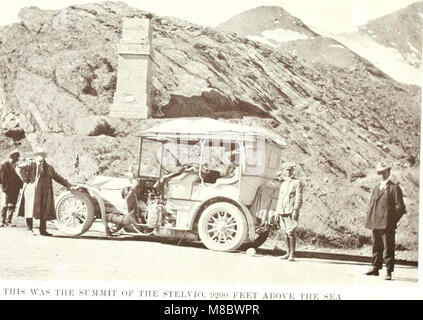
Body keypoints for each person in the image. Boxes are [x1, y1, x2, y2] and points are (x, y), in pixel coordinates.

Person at [16, 148, 73, 236]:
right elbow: (19, 168)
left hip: (45, 191)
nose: (41, 157)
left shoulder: (49, 167)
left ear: (45, 156)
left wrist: (68, 185)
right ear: (36, 155)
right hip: (32, 190)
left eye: (43, 155)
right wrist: (25, 179)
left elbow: (57, 177)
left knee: (44, 210)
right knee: (30, 208)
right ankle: (29, 228)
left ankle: (43, 230)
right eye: (40, 154)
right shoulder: (31, 163)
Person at [365, 162, 406, 280]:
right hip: (376, 223)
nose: (381, 175)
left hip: (387, 224)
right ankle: (375, 268)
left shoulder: (394, 188)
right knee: (376, 246)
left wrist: (392, 221)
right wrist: (370, 219)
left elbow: (400, 208)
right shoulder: (376, 188)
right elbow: (371, 205)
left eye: (383, 172)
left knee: (388, 247)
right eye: (379, 173)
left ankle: (389, 270)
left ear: (389, 172)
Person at [275, 162, 303, 261]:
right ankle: (287, 252)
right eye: (286, 170)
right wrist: (277, 211)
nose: (287, 172)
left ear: (292, 171)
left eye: (289, 170)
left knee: (290, 232)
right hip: (282, 210)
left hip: (290, 211)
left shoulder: (297, 182)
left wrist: (296, 210)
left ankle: (292, 254)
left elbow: (299, 198)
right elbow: (280, 198)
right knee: (284, 232)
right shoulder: (283, 183)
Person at [0, 150, 23, 227]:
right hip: (6, 188)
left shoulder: (17, 165)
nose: (17, 158)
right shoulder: (4, 164)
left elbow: (20, 177)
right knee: (5, 204)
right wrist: (3, 187)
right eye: (16, 157)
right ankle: (1, 221)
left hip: (15, 188)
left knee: (12, 205)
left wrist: (20, 185)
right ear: (12, 156)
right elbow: (2, 177)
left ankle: (8, 221)